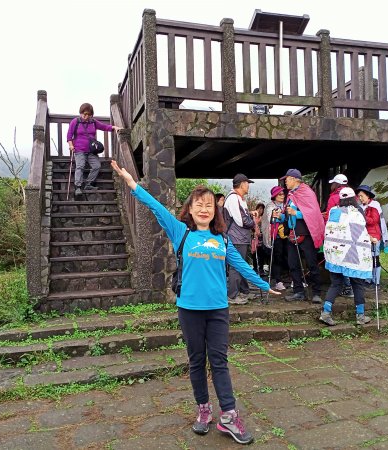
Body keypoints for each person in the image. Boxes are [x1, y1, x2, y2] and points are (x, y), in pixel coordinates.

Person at [110, 160, 278, 445]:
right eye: (198, 204)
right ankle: (203, 410)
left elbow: (243, 265)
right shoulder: (181, 233)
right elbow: (156, 208)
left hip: (217, 309)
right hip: (189, 309)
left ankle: (228, 416)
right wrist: (132, 184)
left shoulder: (222, 240)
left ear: (215, 212)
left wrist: (264, 285)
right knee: (197, 361)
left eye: (209, 205)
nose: (204, 208)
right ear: (189, 209)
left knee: (220, 361)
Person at [320, 187, 373, 326]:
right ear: (353, 198)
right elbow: (360, 232)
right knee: (358, 284)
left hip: (336, 254)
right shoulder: (358, 212)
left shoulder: (334, 211)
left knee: (336, 283)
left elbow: (332, 231)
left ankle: (325, 312)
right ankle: (360, 316)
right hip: (353, 254)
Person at [280, 169, 325, 303]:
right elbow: (288, 214)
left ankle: (316, 292)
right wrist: (281, 216)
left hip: (305, 233)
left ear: (294, 179)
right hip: (292, 233)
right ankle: (298, 292)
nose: (285, 181)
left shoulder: (307, 192)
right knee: (293, 264)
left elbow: (313, 214)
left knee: (312, 263)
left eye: (287, 179)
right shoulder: (290, 195)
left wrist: (296, 213)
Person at [67, 103, 121, 196]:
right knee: (80, 166)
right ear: (81, 113)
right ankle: (78, 187)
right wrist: (71, 145)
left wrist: (114, 127)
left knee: (97, 166)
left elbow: (104, 127)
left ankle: (88, 183)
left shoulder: (93, 122)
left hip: (91, 150)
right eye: (84, 114)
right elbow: (69, 135)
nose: (86, 116)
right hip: (79, 150)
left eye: (89, 114)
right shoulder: (75, 122)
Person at [223, 174, 257, 305]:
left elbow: (241, 216)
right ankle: (232, 295)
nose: (248, 186)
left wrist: (250, 214)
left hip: (240, 238)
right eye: (247, 183)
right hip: (236, 238)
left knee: (241, 265)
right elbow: (241, 221)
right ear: (242, 184)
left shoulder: (238, 199)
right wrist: (253, 222)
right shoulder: (233, 198)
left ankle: (244, 291)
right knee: (236, 266)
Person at [323, 173, 354, 298]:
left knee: (337, 260)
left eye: (333, 184)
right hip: (350, 233)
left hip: (337, 234)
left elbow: (331, 218)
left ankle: (345, 287)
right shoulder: (353, 196)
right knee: (346, 260)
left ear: (336, 184)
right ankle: (349, 286)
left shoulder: (333, 198)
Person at [356, 184, 388, 286]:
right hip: (364, 236)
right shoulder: (360, 207)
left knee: (375, 258)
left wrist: (361, 217)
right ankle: (367, 280)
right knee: (366, 258)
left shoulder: (375, 206)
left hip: (374, 236)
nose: (360, 198)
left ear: (368, 195)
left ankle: (376, 281)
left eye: (362, 196)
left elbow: (374, 221)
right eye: (359, 196)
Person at [261, 186, 288, 291]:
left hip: (286, 235)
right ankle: (278, 280)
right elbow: (269, 219)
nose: (282, 196)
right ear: (274, 196)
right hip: (276, 236)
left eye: (283, 194)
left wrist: (281, 216)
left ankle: (288, 278)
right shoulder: (270, 206)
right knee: (277, 257)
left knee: (287, 257)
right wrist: (278, 216)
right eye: (280, 194)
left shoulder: (286, 205)